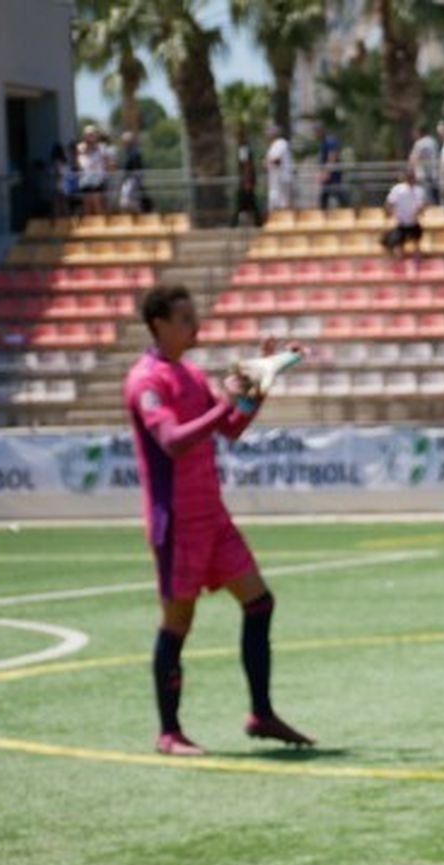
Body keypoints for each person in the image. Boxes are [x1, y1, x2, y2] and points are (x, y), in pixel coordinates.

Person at [124, 284, 314, 756]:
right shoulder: (146, 381)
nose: (196, 325)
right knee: (177, 623)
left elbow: (229, 428)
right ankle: (169, 732)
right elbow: (171, 440)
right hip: (178, 522)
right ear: (159, 325)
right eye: (185, 318)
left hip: (212, 516)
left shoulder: (190, 373)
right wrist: (229, 401)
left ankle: (261, 714)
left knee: (260, 602)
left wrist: (261, 385)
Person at [382, 166, 427, 258]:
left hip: (413, 224)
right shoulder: (398, 190)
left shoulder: (419, 191)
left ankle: (416, 261)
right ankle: (401, 264)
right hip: (401, 224)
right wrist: (389, 212)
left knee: (417, 243)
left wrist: (419, 212)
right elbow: (389, 203)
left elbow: (421, 207)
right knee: (394, 244)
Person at [231, 127, 263, 228]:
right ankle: (258, 222)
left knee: (242, 204)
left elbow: (246, 165)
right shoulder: (244, 148)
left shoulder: (243, 149)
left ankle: (233, 224)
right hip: (247, 181)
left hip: (246, 182)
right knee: (250, 205)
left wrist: (247, 181)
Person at [76, 125, 109, 217]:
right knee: (87, 206)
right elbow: (78, 165)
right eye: (88, 135)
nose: (90, 137)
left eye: (92, 135)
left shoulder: (102, 148)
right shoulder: (80, 148)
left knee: (97, 204)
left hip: (98, 180)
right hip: (86, 181)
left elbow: (107, 164)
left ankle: (100, 227)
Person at [117, 131, 148, 215]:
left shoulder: (135, 153)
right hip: (128, 180)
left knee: (127, 202)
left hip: (133, 180)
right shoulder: (125, 152)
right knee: (126, 202)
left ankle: (141, 215)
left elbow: (135, 167)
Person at [264, 125, 294, 212]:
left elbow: (277, 160)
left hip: (282, 179)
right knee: (276, 202)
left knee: (284, 202)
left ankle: (287, 221)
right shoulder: (273, 145)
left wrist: (267, 162)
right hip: (275, 180)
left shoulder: (281, 143)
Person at [318, 124, 348, 209]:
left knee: (337, 194)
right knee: (325, 196)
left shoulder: (330, 140)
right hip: (330, 174)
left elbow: (332, 156)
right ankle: (323, 214)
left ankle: (346, 210)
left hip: (334, 175)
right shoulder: (323, 142)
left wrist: (326, 172)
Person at [409, 125, 441, 204]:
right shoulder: (433, 141)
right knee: (434, 196)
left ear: (419, 132)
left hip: (423, 175)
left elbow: (414, 159)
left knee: (424, 197)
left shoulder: (420, 143)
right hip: (434, 174)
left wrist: (410, 171)